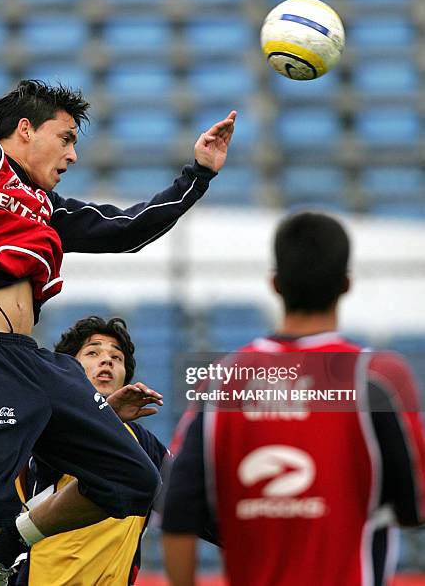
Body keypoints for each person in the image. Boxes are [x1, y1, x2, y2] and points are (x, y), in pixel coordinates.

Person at [0, 79, 236, 585]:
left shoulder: (47, 207)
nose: (73, 155)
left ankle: (12, 543)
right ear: (26, 129)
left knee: (134, 476)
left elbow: (129, 228)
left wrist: (199, 174)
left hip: (29, 360)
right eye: (67, 137)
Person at [162, 211, 425, 586]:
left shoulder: (222, 383)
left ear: (275, 284)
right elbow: (414, 508)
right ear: (346, 285)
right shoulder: (378, 378)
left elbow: (177, 512)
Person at [0, 315, 169, 585]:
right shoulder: (44, 419)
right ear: (68, 370)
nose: (107, 360)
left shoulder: (147, 446)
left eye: (117, 357)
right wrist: (106, 415)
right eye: (93, 352)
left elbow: (186, 500)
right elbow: (58, 454)